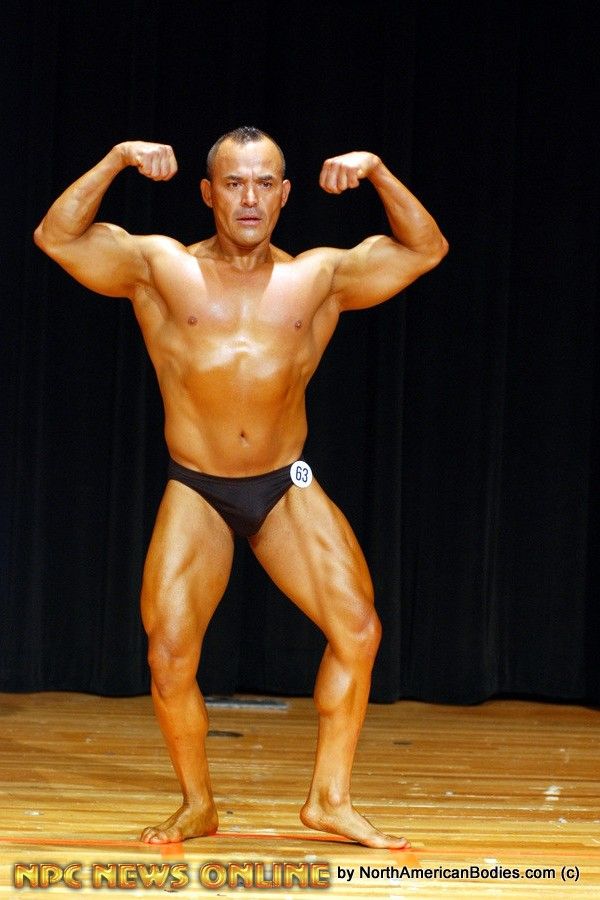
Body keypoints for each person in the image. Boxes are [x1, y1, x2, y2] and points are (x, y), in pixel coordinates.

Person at [34, 126, 448, 848]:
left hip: (286, 482)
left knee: (358, 629)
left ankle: (330, 799)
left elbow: (426, 249)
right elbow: (56, 236)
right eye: (233, 183)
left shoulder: (316, 277)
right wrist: (118, 159)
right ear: (208, 192)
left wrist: (379, 170)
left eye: (262, 184)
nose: (248, 198)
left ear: (284, 195)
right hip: (197, 486)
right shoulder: (162, 268)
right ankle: (198, 804)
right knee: (168, 654)